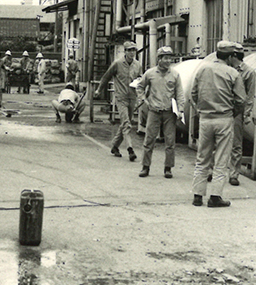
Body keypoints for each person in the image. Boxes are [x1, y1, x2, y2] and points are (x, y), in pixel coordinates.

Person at [190, 40, 246, 208]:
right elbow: (241, 100)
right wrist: (232, 113)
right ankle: (215, 197)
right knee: (221, 159)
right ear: (230, 56)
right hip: (224, 119)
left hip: (206, 119)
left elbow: (193, 93)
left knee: (202, 158)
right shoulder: (233, 73)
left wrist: (201, 110)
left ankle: (197, 196)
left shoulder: (203, 69)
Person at [136, 46, 185, 178]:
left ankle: (168, 168)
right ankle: (145, 167)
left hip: (169, 112)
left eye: (170, 58)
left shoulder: (175, 75)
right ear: (159, 59)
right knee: (149, 140)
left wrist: (180, 109)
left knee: (170, 141)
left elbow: (180, 93)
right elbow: (140, 86)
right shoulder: (150, 73)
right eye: (166, 58)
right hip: (154, 111)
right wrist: (143, 100)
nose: (168, 60)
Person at [96, 41, 143, 161]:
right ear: (125, 51)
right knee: (127, 123)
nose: (132, 53)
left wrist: (141, 87)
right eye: (130, 50)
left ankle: (115, 146)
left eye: (134, 50)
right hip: (120, 97)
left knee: (125, 123)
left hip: (132, 97)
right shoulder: (117, 64)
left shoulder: (137, 65)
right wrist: (99, 90)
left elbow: (141, 79)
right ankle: (130, 149)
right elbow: (106, 77)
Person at [228, 42, 256, 186]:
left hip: (237, 111)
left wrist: (246, 114)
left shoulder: (248, 72)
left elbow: (250, 95)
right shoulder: (225, 69)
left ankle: (234, 174)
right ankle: (213, 171)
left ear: (234, 56)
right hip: (222, 110)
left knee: (236, 144)